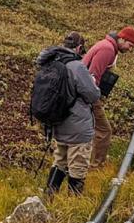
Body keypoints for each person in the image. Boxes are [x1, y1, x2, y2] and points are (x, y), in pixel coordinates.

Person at [38, 32, 101, 196]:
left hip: (58, 123)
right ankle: (73, 205)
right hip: (78, 126)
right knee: (78, 165)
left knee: (60, 160)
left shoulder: (51, 63)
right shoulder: (77, 66)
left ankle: (49, 197)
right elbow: (93, 95)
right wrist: (93, 82)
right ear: (79, 48)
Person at [82, 27, 134, 168]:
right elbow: (92, 76)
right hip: (87, 94)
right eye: (130, 45)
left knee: (88, 129)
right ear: (122, 39)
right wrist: (95, 99)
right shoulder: (107, 49)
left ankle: (86, 162)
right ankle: (96, 167)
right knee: (104, 131)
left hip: (84, 92)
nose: (129, 49)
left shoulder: (107, 46)